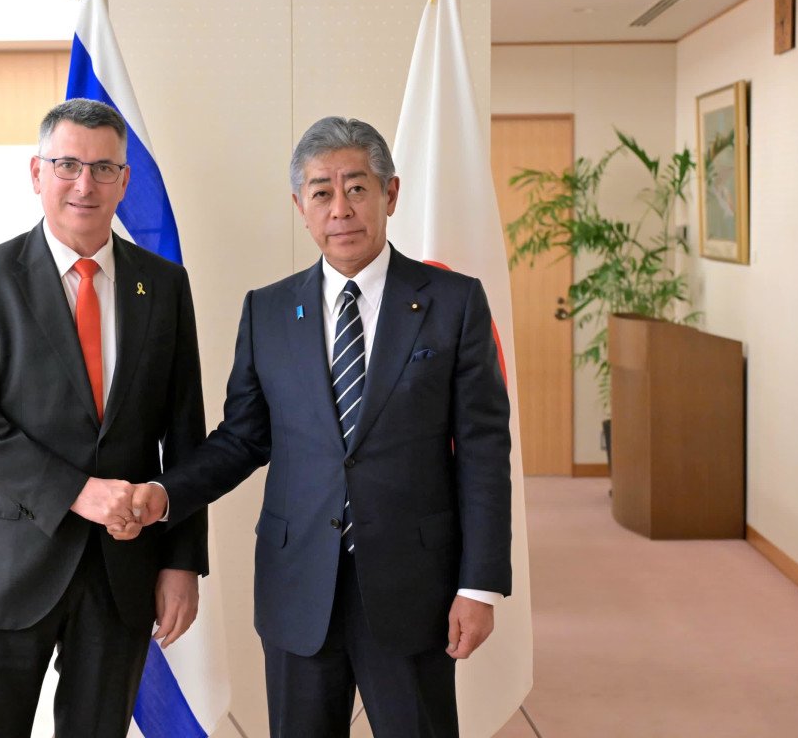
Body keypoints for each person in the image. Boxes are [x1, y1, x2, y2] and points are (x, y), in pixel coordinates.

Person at [119, 117, 512, 737]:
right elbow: (243, 437)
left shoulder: (454, 302)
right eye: (321, 192)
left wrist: (480, 585)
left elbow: (484, 451)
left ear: (390, 194)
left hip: (415, 587)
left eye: (356, 188)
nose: (340, 210)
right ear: (300, 206)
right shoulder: (268, 309)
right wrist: (166, 493)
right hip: (298, 585)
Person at [0, 98, 208, 738]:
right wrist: (77, 491)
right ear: (37, 173)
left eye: (104, 168)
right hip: (1, 566)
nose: (85, 184)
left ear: (124, 181)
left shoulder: (164, 287)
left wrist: (182, 561)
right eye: (68, 165)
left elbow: (185, 432)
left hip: (121, 572)